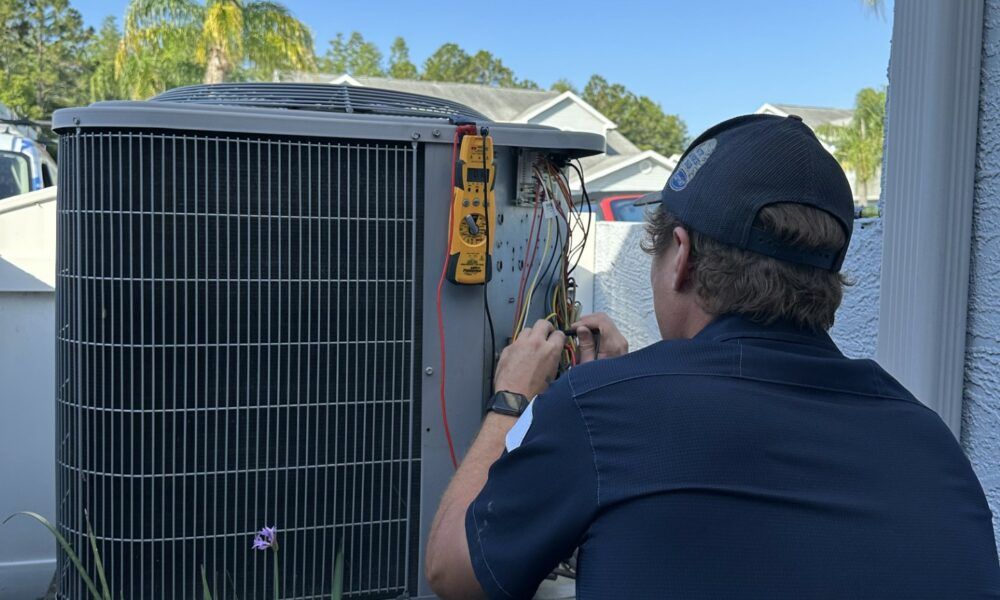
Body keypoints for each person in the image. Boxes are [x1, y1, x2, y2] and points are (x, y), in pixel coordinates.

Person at [424, 114, 1000, 599]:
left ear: (681, 257)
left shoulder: (600, 412)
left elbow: (451, 570)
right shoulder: (931, 442)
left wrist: (513, 400)